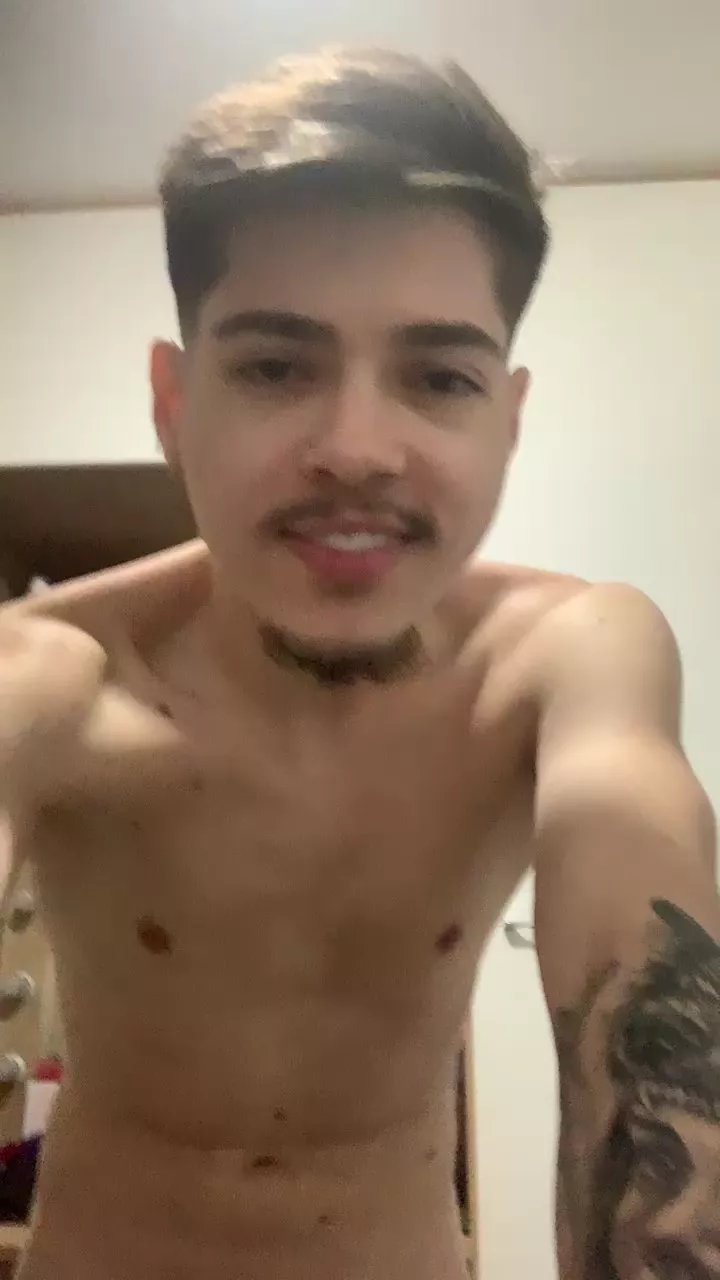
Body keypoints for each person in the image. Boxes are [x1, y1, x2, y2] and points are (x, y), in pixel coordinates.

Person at [0, 45, 718, 1280]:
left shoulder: (566, 657)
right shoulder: (48, 679)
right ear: (173, 404)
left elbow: (641, 934)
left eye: (439, 376)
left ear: (508, 419)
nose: (358, 448)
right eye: (277, 366)